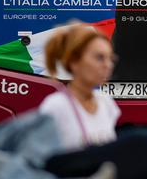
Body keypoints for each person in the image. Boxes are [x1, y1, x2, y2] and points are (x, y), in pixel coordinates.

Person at [39, 24, 121, 153]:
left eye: (110, 58)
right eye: (99, 57)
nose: (108, 65)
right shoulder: (55, 107)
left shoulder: (106, 103)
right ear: (74, 61)